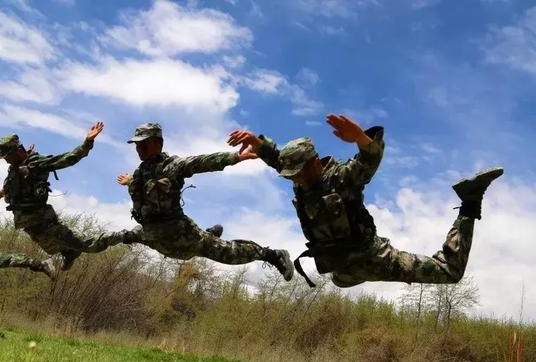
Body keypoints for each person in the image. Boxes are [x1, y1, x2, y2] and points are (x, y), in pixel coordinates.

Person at [227, 114, 503, 288]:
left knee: (449, 272)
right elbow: (278, 160)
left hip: (371, 257)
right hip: (338, 267)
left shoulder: (343, 177)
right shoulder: (300, 176)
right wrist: (259, 143)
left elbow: (368, 162)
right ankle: (341, 274)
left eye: (299, 172)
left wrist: (361, 139)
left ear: (314, 163)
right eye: (291, 174)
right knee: (339, 280)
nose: (295, 179)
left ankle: (470, 200)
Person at [115, 123, 294, 280]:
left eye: (144, 144)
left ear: (158, 144)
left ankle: (272, 255)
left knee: (229, 254)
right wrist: (129, 181)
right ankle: (209, 234)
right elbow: (143, 188)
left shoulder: (173, 166)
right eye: (137, 145)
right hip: (162, 239)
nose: (139, 149)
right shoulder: (139, 174)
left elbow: (202, 162)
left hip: (186, 236)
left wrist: (236, 157)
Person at [0, 122, 124, 270]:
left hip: (45, 221)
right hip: (30, 225)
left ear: (18, 151)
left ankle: (125, 236)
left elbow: (67, 159)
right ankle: (70, 253)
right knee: (50, 248)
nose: (5, 160)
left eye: (7, 156)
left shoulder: (35, 164)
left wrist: (87, 142)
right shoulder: (13, 170)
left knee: (87, 244)